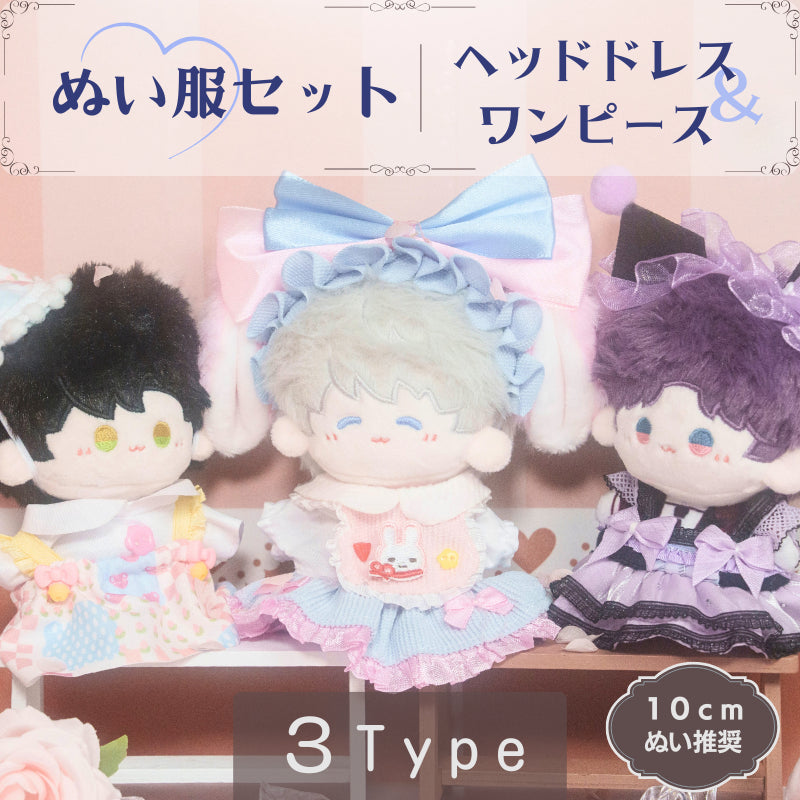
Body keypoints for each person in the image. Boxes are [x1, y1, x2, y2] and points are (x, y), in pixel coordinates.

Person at [0, 264, 241, 685]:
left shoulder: (181, 508)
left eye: (162, 433)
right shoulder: (53, 523)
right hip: (81, 630)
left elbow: (216, 544)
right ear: (17, 455)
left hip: (176, 621)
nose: (135, 447)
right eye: (104, 438)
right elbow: (21, 561)